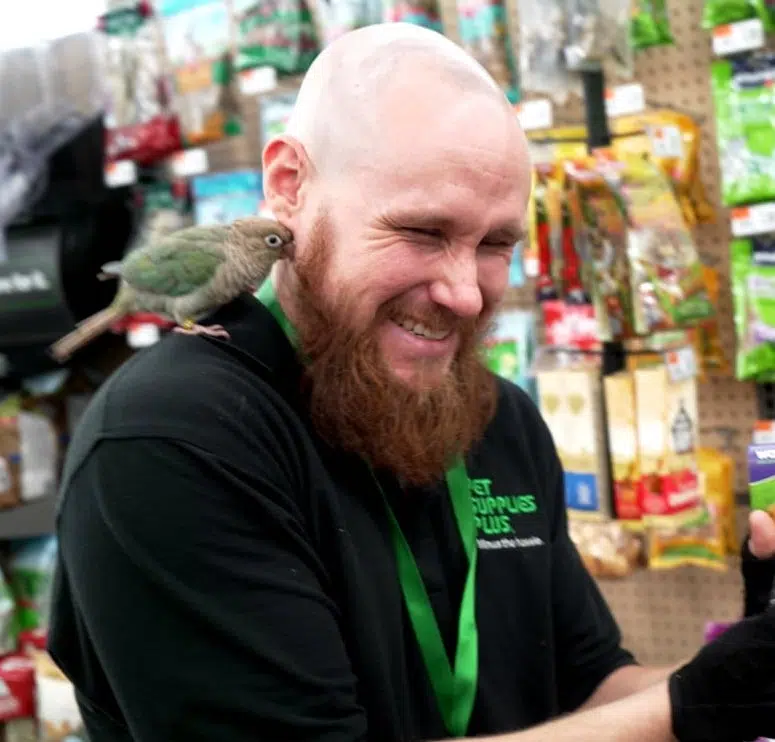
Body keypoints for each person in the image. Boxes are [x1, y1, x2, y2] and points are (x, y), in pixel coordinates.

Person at [49, 22, 775, 742]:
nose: (463, 294)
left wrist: (748, 665)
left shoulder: (496, 416)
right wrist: (682, 713)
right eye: (423, 232)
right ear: (289, 187)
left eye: (494, 244)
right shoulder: (172, 440)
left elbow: (588, 689)